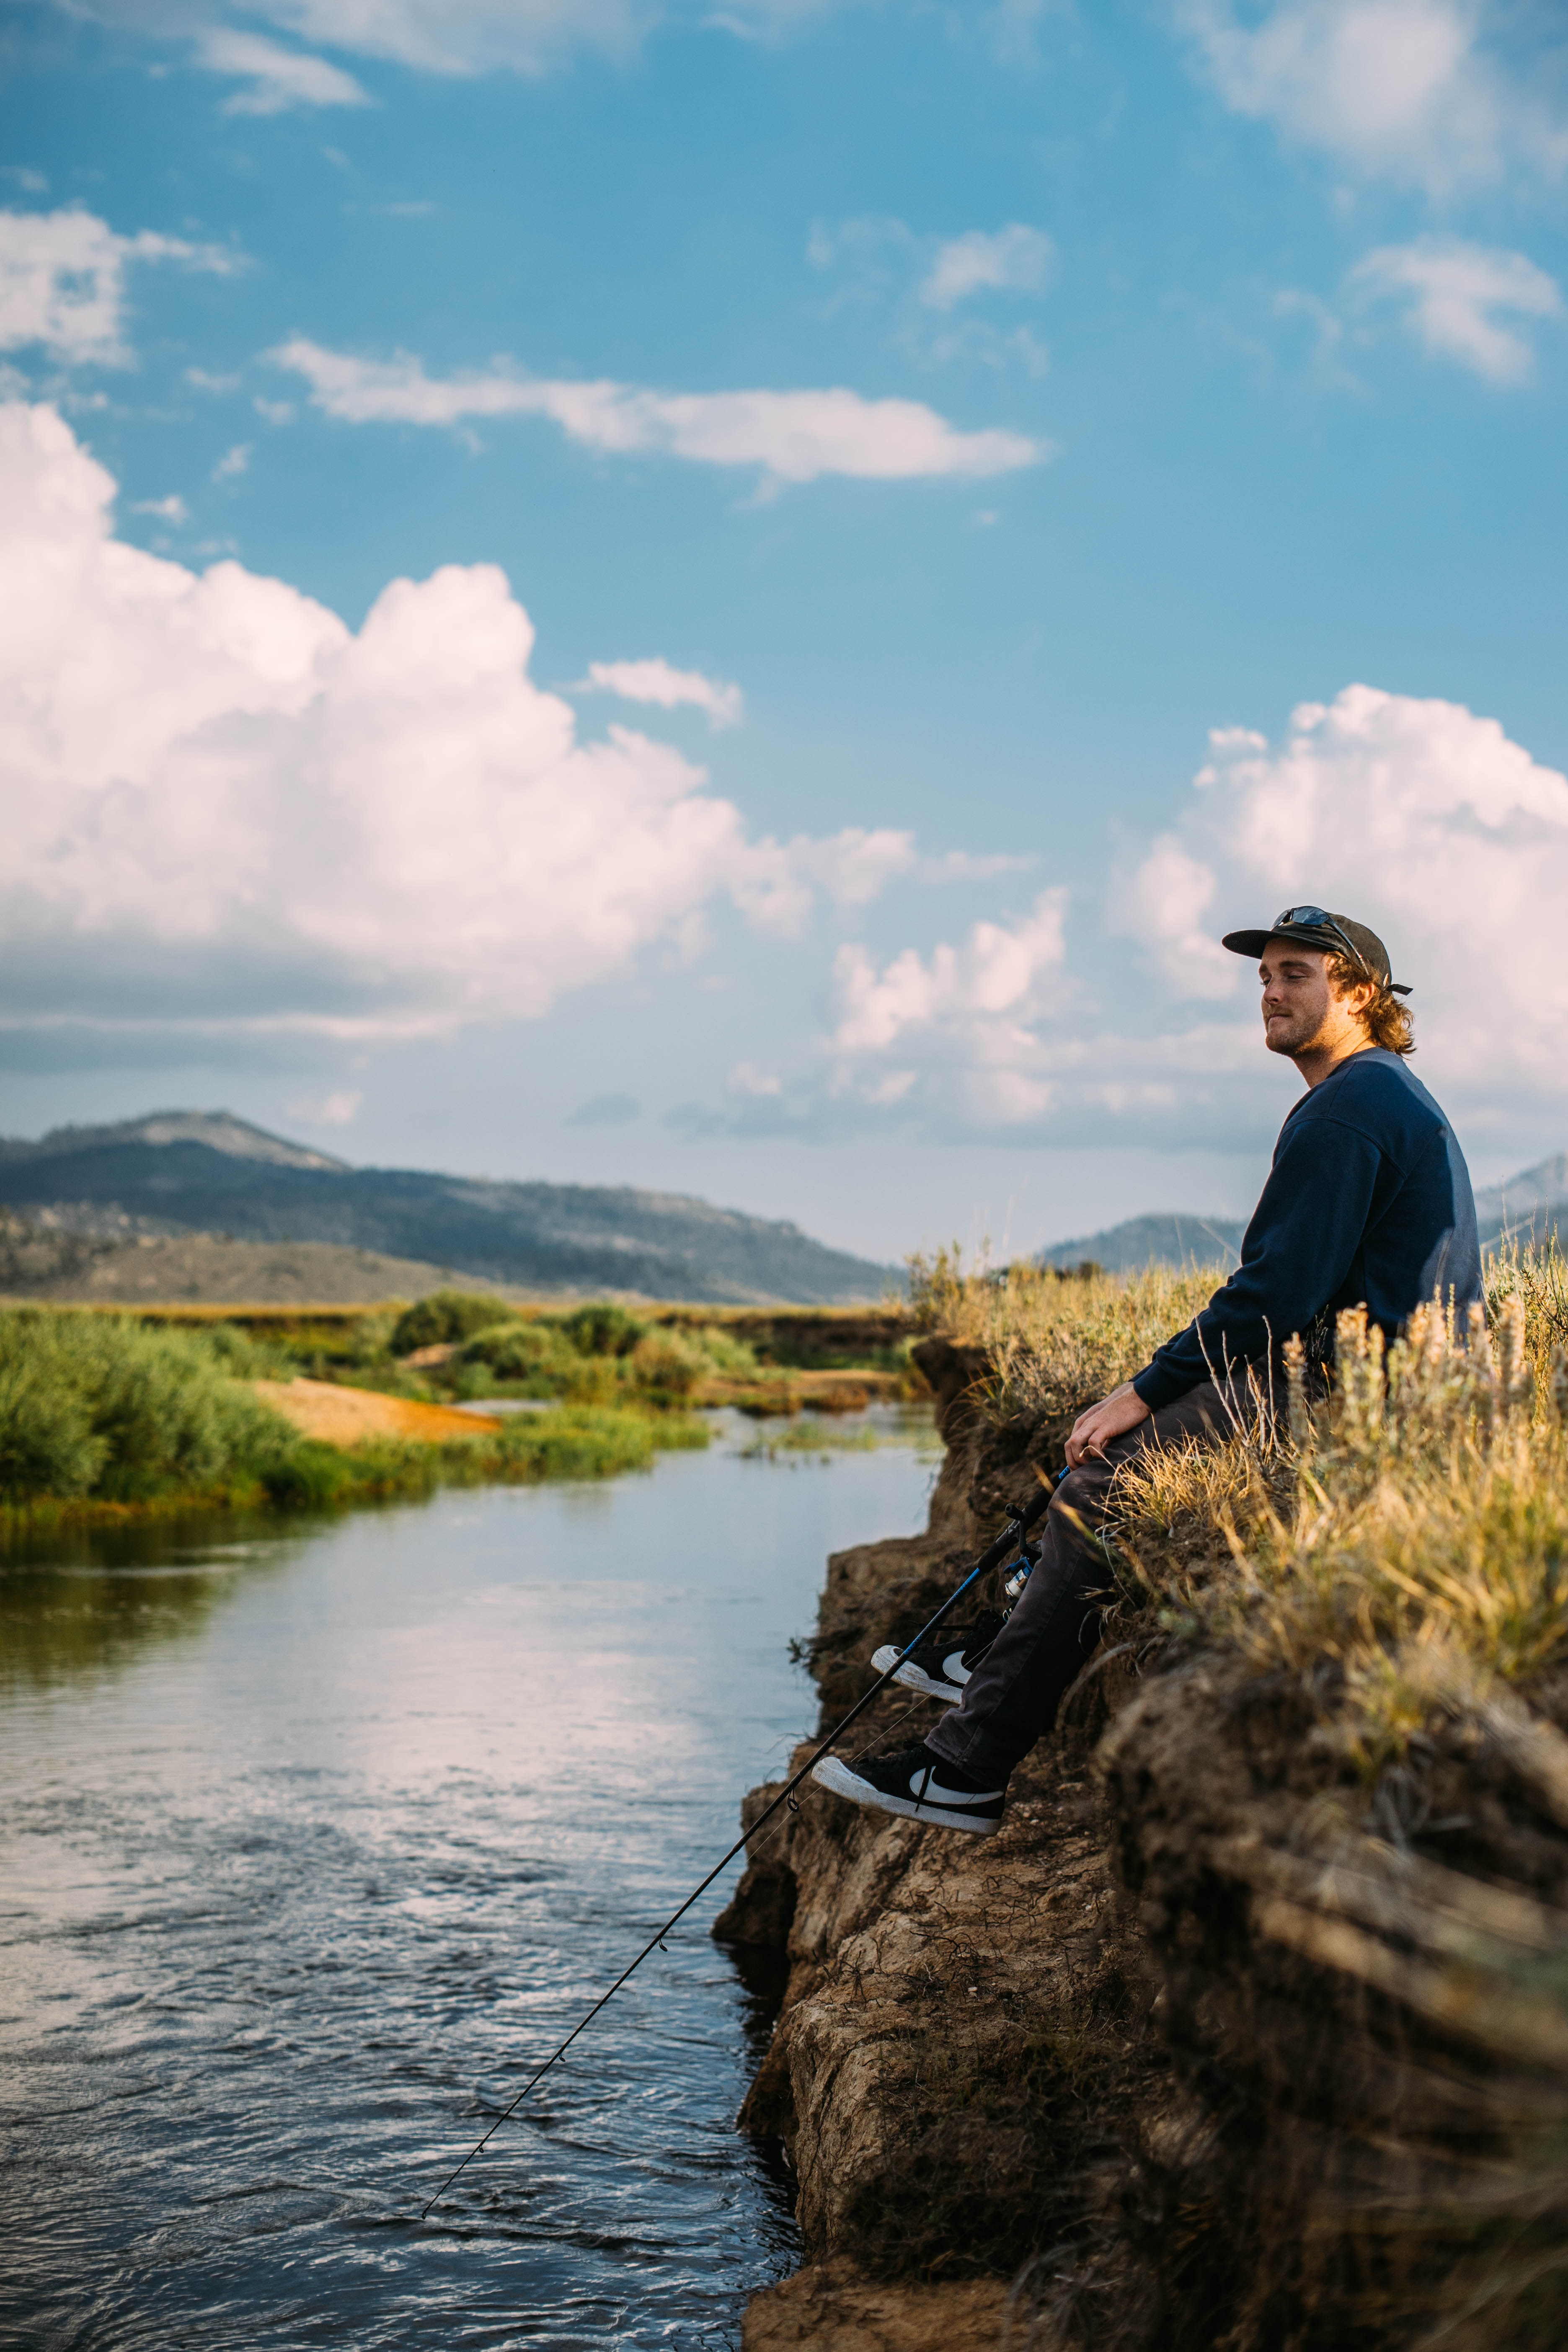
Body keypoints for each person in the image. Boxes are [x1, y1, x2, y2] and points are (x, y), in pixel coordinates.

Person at [813, 906, 1482, 1837]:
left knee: (1101, 1485)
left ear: (1361, 992)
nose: (1272, 992)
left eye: (1296, 973)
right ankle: (1001, 1651)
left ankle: (963, 1768)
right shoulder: (1377, 1092)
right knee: (1111, 1447)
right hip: (1362, 1375)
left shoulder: (1353, 1106)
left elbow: (1273, 1298)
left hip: (1354, 1392)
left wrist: (1143, 1389)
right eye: (1265, 976)